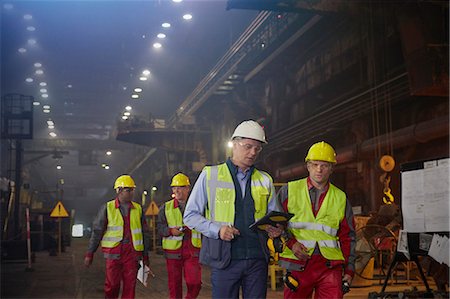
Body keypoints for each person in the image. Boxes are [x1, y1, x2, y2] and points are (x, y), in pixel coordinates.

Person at [183, 120, 283, 299]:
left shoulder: (265, 180)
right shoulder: (210, 175)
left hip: (257, 258)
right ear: (234, 145)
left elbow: (273, 216)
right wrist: (218, 230)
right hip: (225, 260)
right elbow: (190, 216)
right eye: (248, 146)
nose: (253, 152)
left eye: (257, 148)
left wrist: (276, 229)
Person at [277, 141, 356, 299]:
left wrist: (349, 270)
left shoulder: (340, 197)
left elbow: (348, 237)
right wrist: (291, 244)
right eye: (315, 164)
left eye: (324, 165)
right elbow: (276, 225)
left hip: (330, 266)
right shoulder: (289, 191)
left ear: (332, 168)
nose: (319, 169)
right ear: (307, 166)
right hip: (298, 263)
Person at [84, 175, 150, 299]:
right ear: (119, 191)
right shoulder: (108, 208)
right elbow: (97, 231)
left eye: (132, 190)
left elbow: (145, 233)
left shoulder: (138, 209)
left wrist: (145, 256)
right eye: (128, 190)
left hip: (132, 254)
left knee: (130, 287)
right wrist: (90, 253)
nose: (131, 193)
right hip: (113, 254)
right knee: (112, 286)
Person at [157, 173, 202, 299]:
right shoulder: (165, 208)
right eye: (174, 188)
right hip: (173, 251)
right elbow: (160, 228)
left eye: (181, 187)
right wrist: (171, 231)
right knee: (174, 285)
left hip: (192, 250)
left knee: (195, 283)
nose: (177, 190)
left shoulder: (198, 206)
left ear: (188, 188)